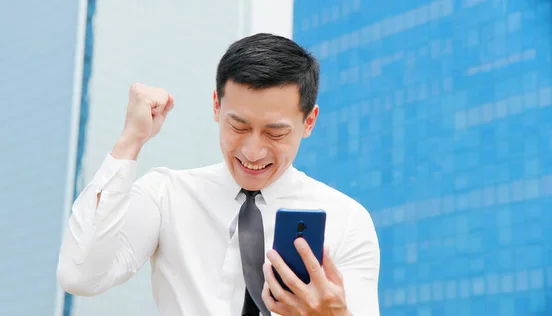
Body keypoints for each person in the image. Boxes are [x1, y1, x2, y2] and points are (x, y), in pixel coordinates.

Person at [56, 33, 380, 316]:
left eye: (275, 133)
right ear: (216, 107)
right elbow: (79, 275)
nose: (252, 152)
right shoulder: (166, 194)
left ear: (309, 122)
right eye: (238, 126)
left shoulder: (347, 220)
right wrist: (130, 141)